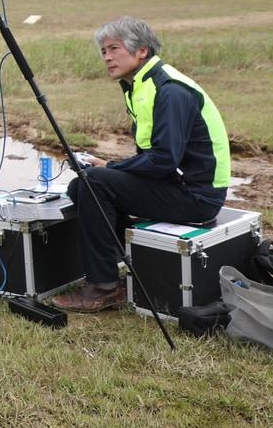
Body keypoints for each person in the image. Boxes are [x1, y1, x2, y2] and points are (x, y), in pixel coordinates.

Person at [52, 17, 232, 312]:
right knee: (80, 185)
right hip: (176, 184)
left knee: (94, 181)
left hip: (197, 197)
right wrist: (108, 166)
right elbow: (158, 157)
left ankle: (103, 287)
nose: (107, 57)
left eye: (114, 48)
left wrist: (110, 167)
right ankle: (135, 262)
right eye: (103, 51)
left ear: (142, 52)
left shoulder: (170, 90)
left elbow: (163, 161)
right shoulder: (141, 84)